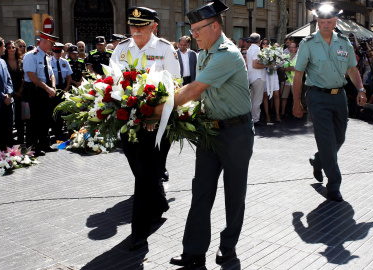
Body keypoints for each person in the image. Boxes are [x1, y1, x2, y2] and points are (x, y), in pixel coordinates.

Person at [165, 0, 254, 267]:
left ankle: (228, 247)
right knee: (201, 191)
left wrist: (154, 108)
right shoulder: (204, 53)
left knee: (234, 194)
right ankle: (193, 251)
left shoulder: (227, 54)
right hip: (209, 131)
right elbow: (199, 96)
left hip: (236, 132)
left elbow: (193, 90)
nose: (193, 35)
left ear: (215, 26)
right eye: (191, 30)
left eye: (197, 29)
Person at [109, 6, 181, 251]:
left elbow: (175, 84)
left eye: (141, 26)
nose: (136, 30)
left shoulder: (164, 49)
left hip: (154, 124)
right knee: (139, 169)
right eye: (132, 26)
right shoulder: (120, 49)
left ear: (154, 27)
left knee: (143, 175)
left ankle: (139, 233)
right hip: (127, 121)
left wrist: (154, 114)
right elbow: (110, 81)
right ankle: (159, 203)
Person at [292, 3, 366, 202]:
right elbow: (298, 75)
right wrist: (296, 102)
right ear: (317, 22)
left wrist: (360, 89)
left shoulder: (344, 42)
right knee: (326, 139)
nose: (325, 25)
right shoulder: (307, 44)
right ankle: (333, 185)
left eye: (329, 22)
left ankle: (318, 160)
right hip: (317, 97)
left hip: (339, 96)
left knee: (339, 138)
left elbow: (352, 69)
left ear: (335, 22)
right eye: (322, 22)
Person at [22, 32, 59, 156]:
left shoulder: (47, 57)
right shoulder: (30, 56)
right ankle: (33, 147)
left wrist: (52, 87)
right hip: (34, 91)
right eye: (51, 43)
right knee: (34, 120)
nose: (52, 46)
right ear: (43, 42)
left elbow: (51, 74)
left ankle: (44, 144)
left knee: (45, 119)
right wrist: (47, 88)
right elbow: (32, 76)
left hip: (46, 90)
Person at [1, 40, 25, 144]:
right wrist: (12, 92)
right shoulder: (3, 61)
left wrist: (19, 91)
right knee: (9, 117)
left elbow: (24, 76)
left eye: (13, 47)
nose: (11, 49)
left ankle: (21, 137)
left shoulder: (20, 61)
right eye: (9, 47)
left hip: (20, 90)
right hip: (8, 91)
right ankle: (9, 138)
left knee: (21, 115)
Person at [51, 43, 73, 141]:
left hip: (63, 88)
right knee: (54, 112)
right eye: (55, 52)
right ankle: (55, 132)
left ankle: (61, 133)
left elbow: (69, 76)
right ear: (52, 52)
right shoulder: (48, 62)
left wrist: (66, 88)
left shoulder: (65, 62)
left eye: (59, 52)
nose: (57, 54)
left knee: (62, 112)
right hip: (54, 88)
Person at [246, 32, 268, 125]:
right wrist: (267, 65)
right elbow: (255, 64)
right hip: (258, 77)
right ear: (259, 41)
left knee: (252, 99)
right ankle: (255, 119)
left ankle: (251, 118)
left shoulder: (249, 49)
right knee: (257, 100)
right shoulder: (256, 50)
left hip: (251, 77)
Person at [260, 38, 280, 124]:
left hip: (273, 75)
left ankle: (277, 114)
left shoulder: (273, 52)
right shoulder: (260, 53)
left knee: (276, 94)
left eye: (267, 43)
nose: (265, 45)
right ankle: (267, 115)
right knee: (265, 95)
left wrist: (275, 66)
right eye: (264, 43)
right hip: (264, 75)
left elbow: (279, 63)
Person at [280, 42, 298, 117]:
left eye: (293, 47)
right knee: (284, 97)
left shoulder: (298, 57)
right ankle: (283, 113)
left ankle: (296, 113)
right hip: (286, 80)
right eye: (290, 47)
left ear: (296, 49)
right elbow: (281, 67)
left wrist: (294, 68)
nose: (291, 49)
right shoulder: (285, 57)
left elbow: (302, 68)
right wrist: (286, 68)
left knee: (296, 98)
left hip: (295, 81)